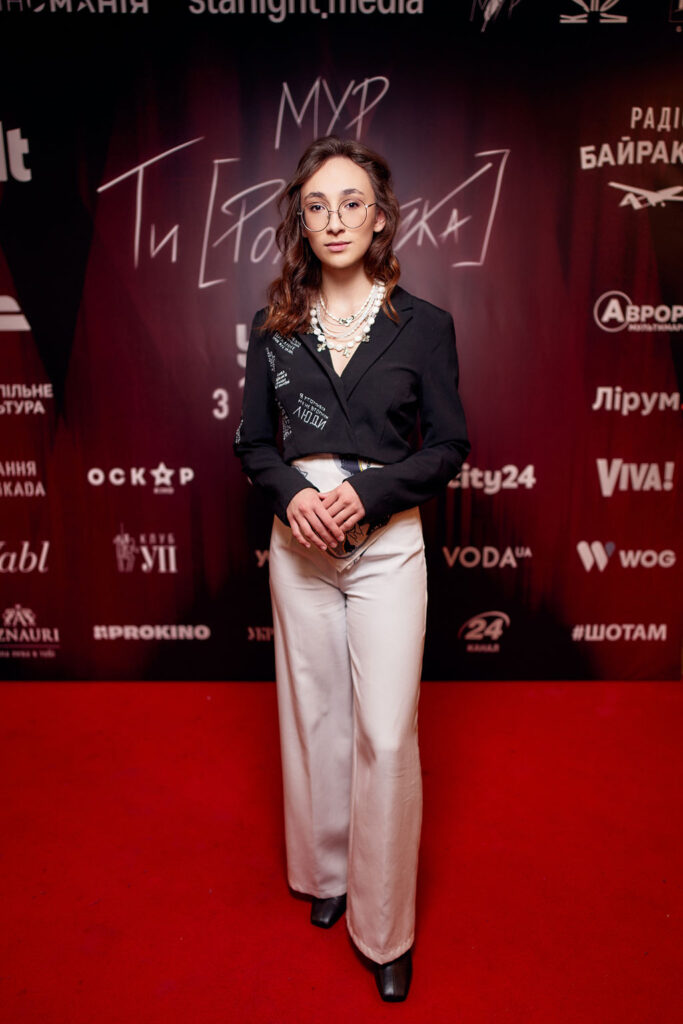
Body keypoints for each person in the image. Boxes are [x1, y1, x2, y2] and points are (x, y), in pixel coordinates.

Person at [234, 135, 469, 1002]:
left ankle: (385, 926)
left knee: (386, 734)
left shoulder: (424, 326)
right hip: (297, 543)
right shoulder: (274, 330)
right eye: (316, 206)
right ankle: (327, 874)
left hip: (386, 543)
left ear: (379, 218)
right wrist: (292, 493)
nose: (334, 220)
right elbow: (253, 443)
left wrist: (367, 495)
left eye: (351, 203)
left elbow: (448, 446)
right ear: (301, 222)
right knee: (316, 718)